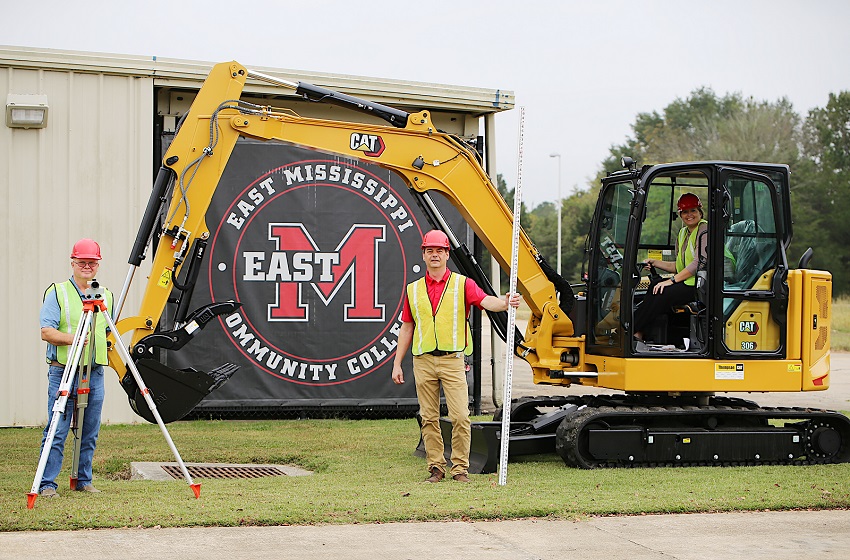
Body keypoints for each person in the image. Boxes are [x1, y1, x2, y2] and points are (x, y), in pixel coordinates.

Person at [392, 230, 521, 483]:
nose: (435, 255)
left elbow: (486, 302)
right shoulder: (413, 289)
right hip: (423, 361)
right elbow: (407, 327)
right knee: (428, 417)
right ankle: (436, 467)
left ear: (447, 254)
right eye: (430, 250)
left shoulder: (463, 284)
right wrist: (397, 363)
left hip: (453, 361)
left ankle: (460, 468)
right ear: (424, 254)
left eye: (439, 250)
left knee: (461, 416)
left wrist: (505, 302)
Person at [37, 238, 113, 497]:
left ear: (98, 264)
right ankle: (47, 483)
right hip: (64, 370)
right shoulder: (57, 292)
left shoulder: (106, 295)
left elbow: (106, 333)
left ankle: (84, 480)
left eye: (92, 262)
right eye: (82, 262)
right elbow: (46, 332)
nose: (87, 266)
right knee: (57, 428)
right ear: (73, 263)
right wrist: (75, 339)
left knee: (89, 430)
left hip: (94, 372)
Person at [633, 193, 707, 342]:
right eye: (685, 212)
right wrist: (655, 262)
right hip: (688, 281)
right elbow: (678, 266)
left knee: (663, 290)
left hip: (702, 286)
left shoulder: (705, 231)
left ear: (700, 211)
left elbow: (699, 263)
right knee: (655, 285)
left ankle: (633, 329)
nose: (689, 215)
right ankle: (639, 332)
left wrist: (671, 281)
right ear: (680, 215)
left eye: (693, 210)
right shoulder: (683, 234)